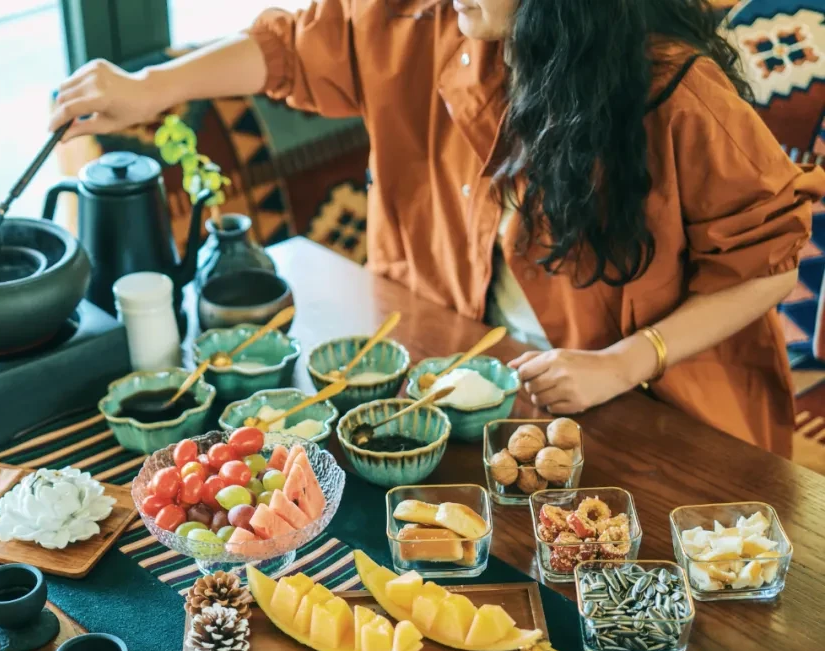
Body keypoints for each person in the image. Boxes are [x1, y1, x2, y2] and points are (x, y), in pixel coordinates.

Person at [49, 0, 825, 457]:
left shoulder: (678, 91)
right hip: (454, 369)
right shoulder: (436, 18)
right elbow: (294, 46)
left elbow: (766, 266)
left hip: (646, 404)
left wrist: (624, 363)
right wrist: (146, 88)